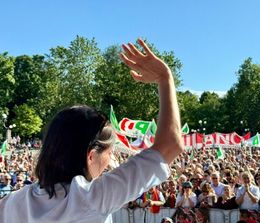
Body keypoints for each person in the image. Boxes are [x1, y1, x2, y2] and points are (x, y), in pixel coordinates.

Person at [0, 39, 184, 223]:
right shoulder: (91, 198)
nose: (110, 161)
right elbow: (170, 145)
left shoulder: (10, 203)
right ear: (91, 155)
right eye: (110, 153)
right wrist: (164, 77)